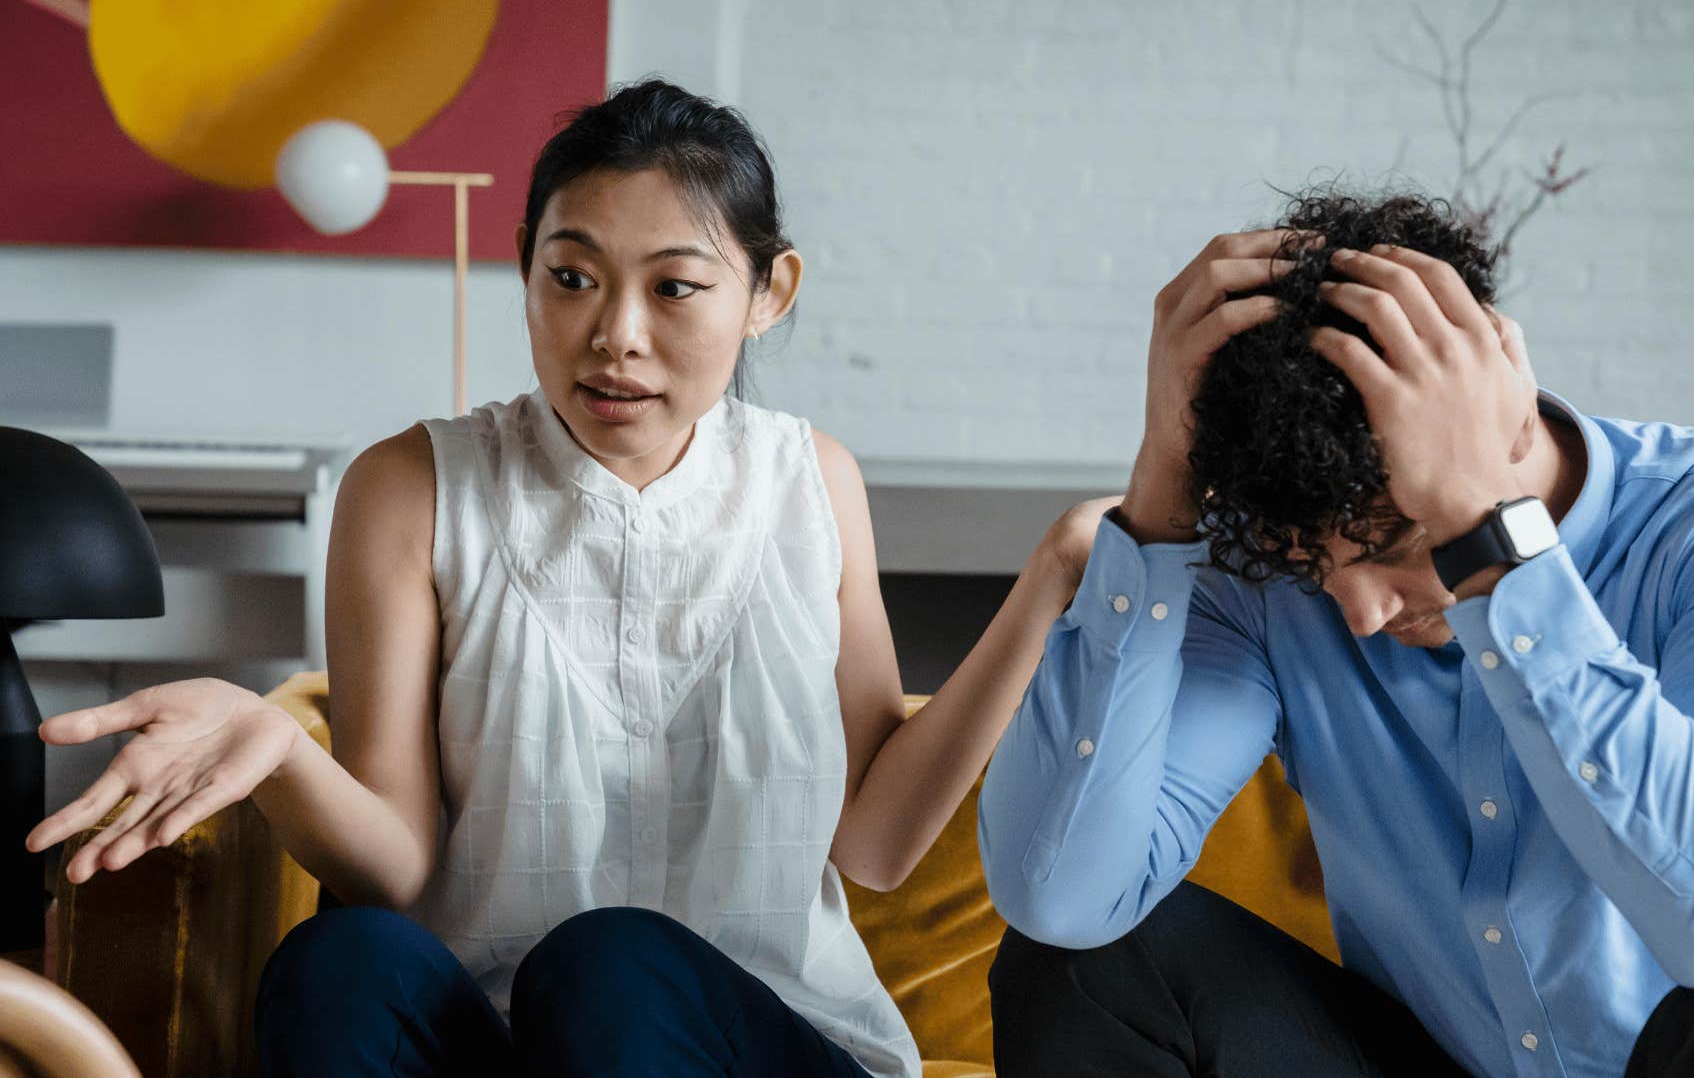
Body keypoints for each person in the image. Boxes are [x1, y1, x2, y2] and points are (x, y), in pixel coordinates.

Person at [26, 79, 1110, 1078]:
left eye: (676, 287)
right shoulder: (411, 486)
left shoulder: (810, 481)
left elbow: (874, 845)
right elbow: (400, 876)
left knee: (610, 964)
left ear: (770, 289)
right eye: (572, 278)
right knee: (341, 959)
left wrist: (1053, 576)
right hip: (501, 1041)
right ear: (526, 264)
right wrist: (275, 755)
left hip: (760, 1042)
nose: (614, 338)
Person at [978, 190, 1694, 1077]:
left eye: (1396, 540)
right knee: (1087, 965)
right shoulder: (1270, 580)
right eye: (1314, 567)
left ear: (1507, 419)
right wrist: (1159, 500)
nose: (1359, 612)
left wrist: (1488, 538)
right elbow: (1060, 895)